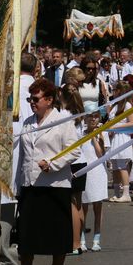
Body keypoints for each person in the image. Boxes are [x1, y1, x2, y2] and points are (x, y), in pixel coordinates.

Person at [8, 78, 80, 265]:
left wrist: (52, 163)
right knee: (26, 229)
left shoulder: (63, 120)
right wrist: (18, 183)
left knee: (56, 229)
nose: (32, 102)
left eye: (36, 98)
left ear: (49, 100)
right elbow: (23, 154)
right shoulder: (28, 122)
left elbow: (74, 150)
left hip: (54, 184)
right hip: (30, 183)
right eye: (30, 98)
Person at [0, 53, 37, 265]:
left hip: (10, 151)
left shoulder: (9, 86)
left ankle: (7, 252)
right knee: (10, 204)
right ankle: (7, 253)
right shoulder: (34, 89)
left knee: (6, 202)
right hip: (21, 154)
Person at [58, 84, 88, 255]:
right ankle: (79, 240)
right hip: (81, 161)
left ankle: (75, 243)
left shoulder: (64, 115)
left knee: (72, 204)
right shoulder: (79, 114)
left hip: (72, 162)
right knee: (78, 204)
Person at [80, 112, 109, 252]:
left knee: (98, 207)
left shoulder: (102, 134)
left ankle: (97, 238)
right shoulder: (80, 134)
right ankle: (82, 238)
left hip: (98, 173)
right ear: (85, 118)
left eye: (96, 116)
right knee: (83, 207)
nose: (93, 119)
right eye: (90, 116)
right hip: (85, 172)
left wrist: (96, 137)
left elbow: (100, 154)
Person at [108, 81, 133, 203]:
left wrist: (115, 126)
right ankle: (117, 193)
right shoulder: (115, 106)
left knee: (121, 165)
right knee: (115, 166)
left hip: (122, 137)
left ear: (120, 91)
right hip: (114, 137)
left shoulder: (127, 106)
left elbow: (132, 122)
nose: (113, 92)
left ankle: (126, 194)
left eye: (115, 90)